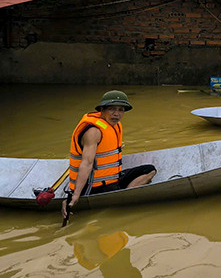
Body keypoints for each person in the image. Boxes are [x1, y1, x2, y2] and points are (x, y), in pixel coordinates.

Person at [62, 90, 156, 219]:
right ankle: (122, 200)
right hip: (95, 186)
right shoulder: (93, 131)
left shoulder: (111, 125)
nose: (116, 114)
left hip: (112, 179)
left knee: (149, 170)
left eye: (120, 110)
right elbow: (87, 163)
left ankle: (124, 194)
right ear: (102, 109)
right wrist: (75, 195)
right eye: (112, 109)